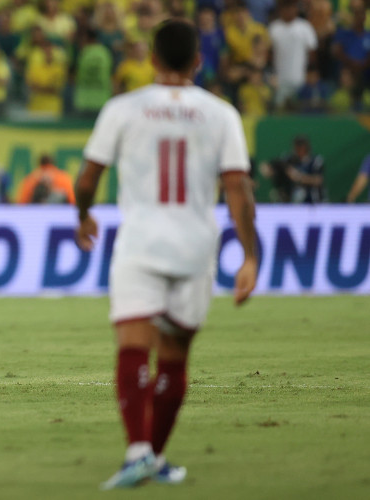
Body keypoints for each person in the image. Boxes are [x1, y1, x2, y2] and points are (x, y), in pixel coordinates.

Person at [74, 20, 258, 489]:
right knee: (174, 359)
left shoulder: (123, 109)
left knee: (134, 344)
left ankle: (139, 452)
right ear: (199, 62)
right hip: (197, 246)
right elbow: (238, 189)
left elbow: (88, 178)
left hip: (141, 243)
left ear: (151, 60)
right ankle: (153, 456)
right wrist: (252, 256)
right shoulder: (222, 114)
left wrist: (84, 215)